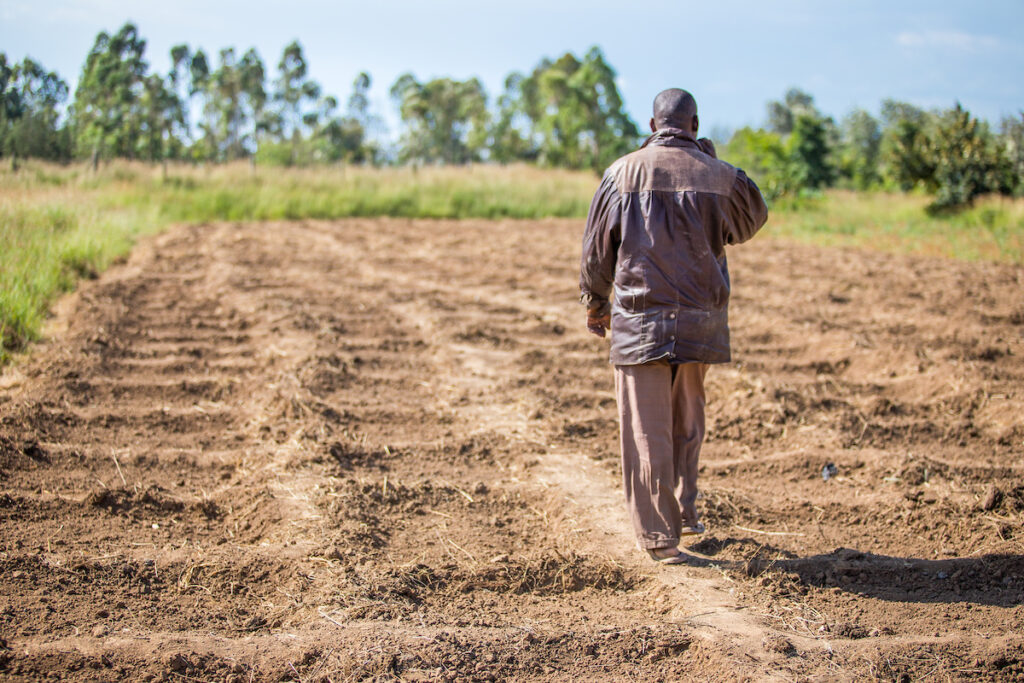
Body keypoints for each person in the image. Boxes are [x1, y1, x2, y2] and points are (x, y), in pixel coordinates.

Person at [579, 88, 768, 564]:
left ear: (651, 125)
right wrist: (711, 159)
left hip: (639, 320)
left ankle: (661, 539)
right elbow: (751, 219)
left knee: (647, 428)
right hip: (699, 321)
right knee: (688, 424)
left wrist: (595, 303)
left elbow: (598, 250)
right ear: (695, 125)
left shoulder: (621, 173)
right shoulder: (720, 176)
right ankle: (685, 511)